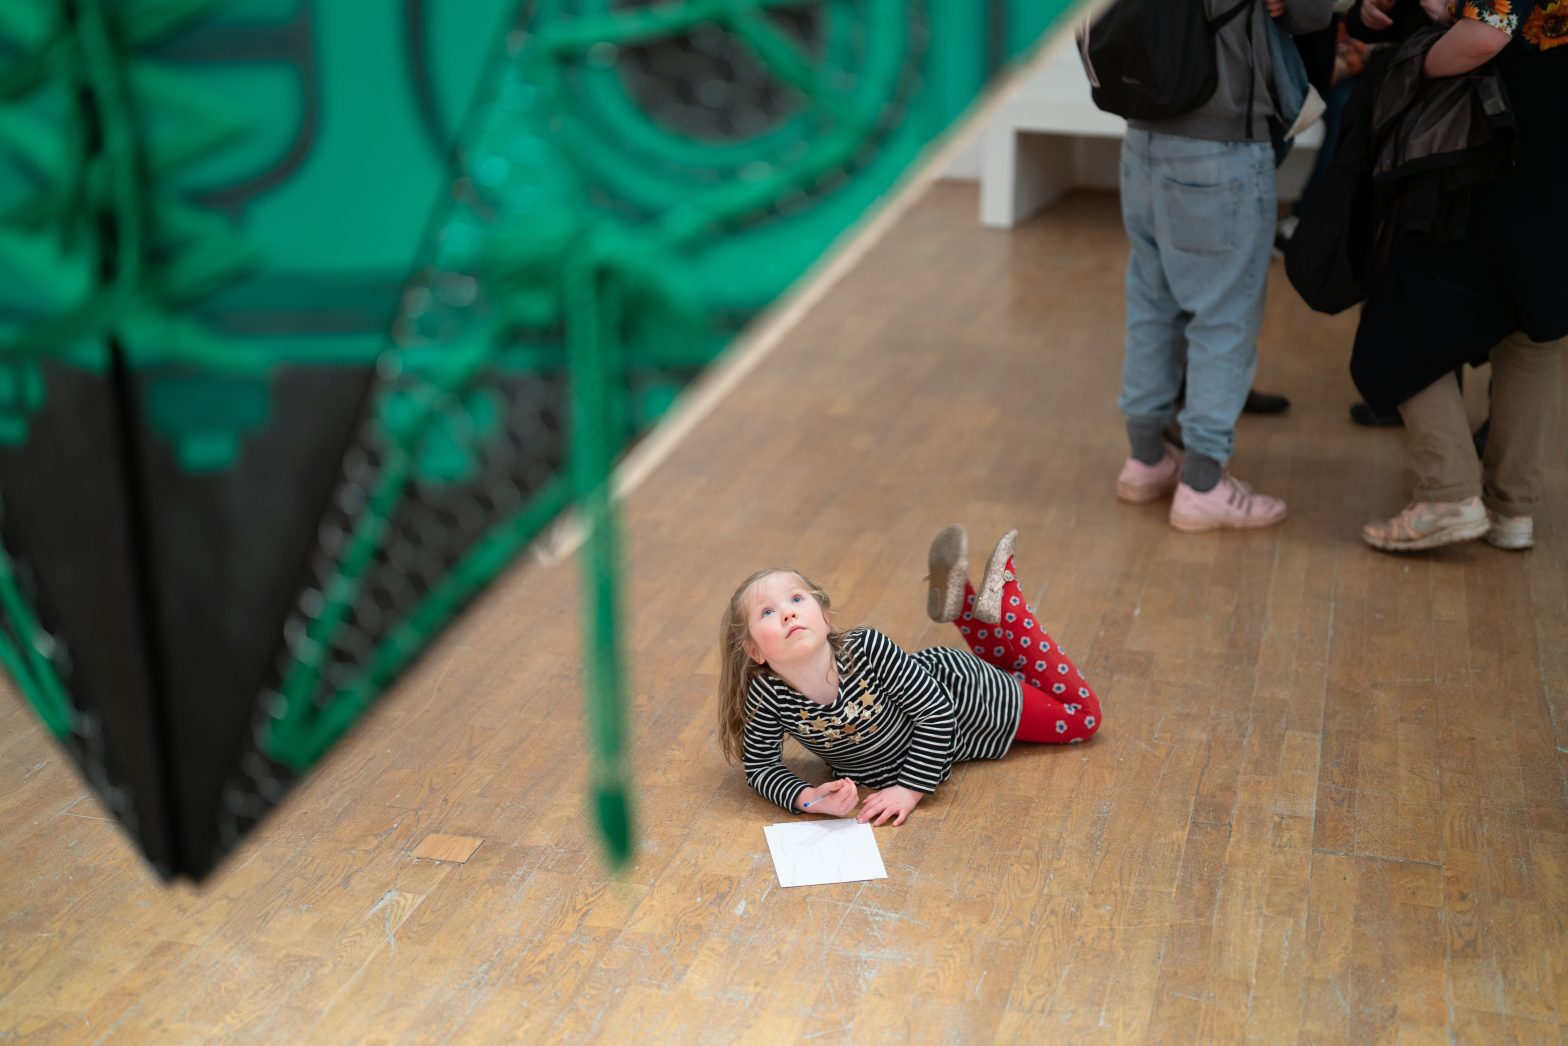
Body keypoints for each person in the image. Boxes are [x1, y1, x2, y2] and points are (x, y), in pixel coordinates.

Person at [1353, 0, 1566, 551]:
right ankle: (1511, 509)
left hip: (1503, 138)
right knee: (1534, 319)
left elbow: (1485, 37)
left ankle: (1447, 492)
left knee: (1400, 299)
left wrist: (1409, 66)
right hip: (1555, 140)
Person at [1114, 0, 1334, 531]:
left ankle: (1145, 460)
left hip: (1143, 135)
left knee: (1152, 301)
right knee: (1223, 318)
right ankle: (1204, 485)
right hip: (1221, 143)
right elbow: (1312, 13)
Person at [716, 527, 1100, 826]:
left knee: (1083, 716)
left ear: (825, 617)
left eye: (797, 599)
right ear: (754, 651)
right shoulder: (766, 695)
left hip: (969, 700)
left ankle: (1006, 596)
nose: (787, 612)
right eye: (767, 612)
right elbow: (762, 767)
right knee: (1018, 674)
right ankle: (964, 602)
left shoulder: (866, 647)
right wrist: (810, 798)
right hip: (940, 697)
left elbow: (937, 713)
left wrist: (908, 790)